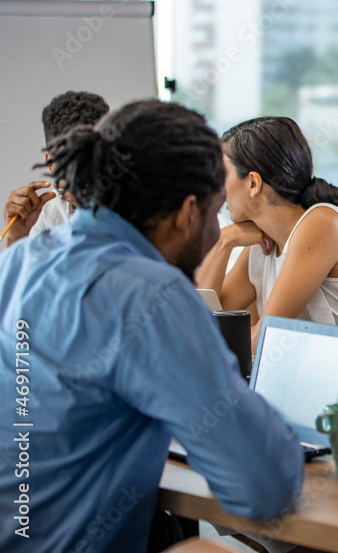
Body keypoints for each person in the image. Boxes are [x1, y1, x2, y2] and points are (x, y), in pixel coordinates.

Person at [0, 101, 304, 553]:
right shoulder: (148, 293)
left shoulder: (16, 260)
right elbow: (265, 484)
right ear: (187, 213)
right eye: (216, 212)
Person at [196, 116, 338, 367]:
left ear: (253, 183)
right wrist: (225, 240)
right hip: (317, 381)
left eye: (223, 174)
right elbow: (202, 317)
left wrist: (202, 343)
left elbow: (264, 339)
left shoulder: (320, 224)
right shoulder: (261, 243)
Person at [2, 90, 110, 245]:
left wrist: (88, 208)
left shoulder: (137, 203)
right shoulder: (47, 212)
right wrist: (17, 237)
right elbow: (31, 269)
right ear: (51, 163)